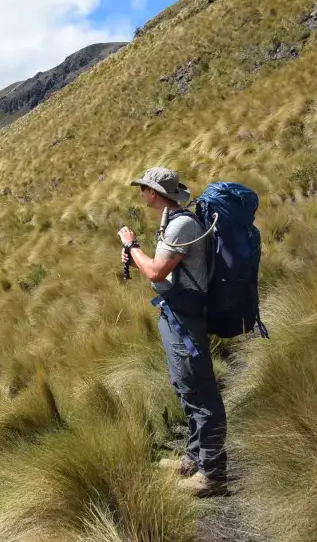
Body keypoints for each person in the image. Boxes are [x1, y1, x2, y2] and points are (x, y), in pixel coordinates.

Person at [117, 166, 228, 497]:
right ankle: (195, 458)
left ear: (154, 193)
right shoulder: (174, 221)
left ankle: (213, 474)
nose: (141, 193)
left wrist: (132, 246)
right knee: (185, 386)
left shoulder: (180, 226)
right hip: (176, 314)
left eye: (144, 189)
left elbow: (155, 271)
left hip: (186, 317)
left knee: (199, 391)